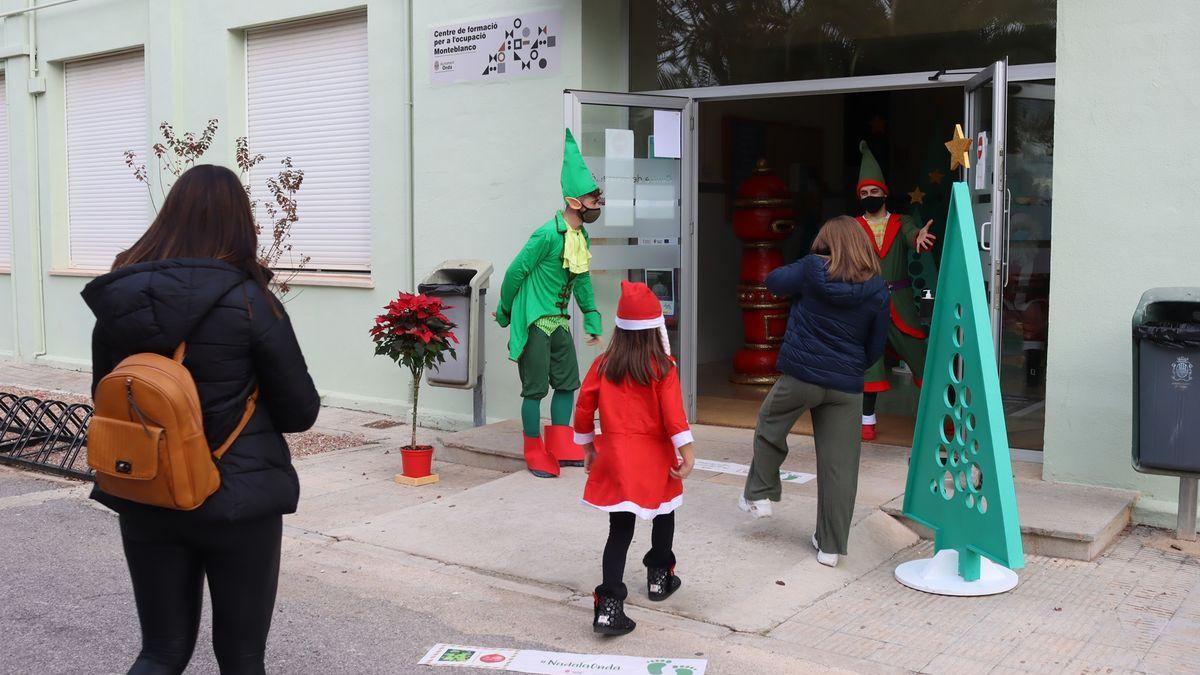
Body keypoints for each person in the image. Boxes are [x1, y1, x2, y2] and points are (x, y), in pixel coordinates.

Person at [82, 165, 321, 674]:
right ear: (240, 223)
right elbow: (301, 411)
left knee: (160, 651)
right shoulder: (253, 302)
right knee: (241, 658)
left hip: (146, 491)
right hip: (238, 497)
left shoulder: (119, 301)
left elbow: (109, 398)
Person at [739, 216, 889, 568]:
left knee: (770, 424)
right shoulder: (878, 288)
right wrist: (850, 366)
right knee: (841, 467)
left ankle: (760, 495)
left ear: (826, 243)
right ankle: (831, 546)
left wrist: (811, 262)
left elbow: (774, 281)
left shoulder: (811, 270)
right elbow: (876, 347)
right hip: (847, 386)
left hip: (801, 376)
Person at [574, 281, 695, 635]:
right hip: (655, 458)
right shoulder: (664, 367)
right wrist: (687, 450)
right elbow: (674, 416)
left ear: (620, 328)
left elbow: (584, 408)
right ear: (656, 328)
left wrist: (588, 447)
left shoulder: (603, 364)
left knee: (620, 529)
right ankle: (659, 577)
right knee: (664, 511)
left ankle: (609, 606)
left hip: (615, 457)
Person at [495, 128, 604, 478]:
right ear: (574, 202)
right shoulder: (546, 234)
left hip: (559, 321)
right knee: (535, 389)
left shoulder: (580, 235)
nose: (596, 204)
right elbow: (514, 272)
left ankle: (560, 440)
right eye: (592, 199)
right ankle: (532, 447)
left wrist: (591, 314)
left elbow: (582, 277)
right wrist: (506, 309)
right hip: (535, 321)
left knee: (567, 383)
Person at [853, 141, 937, 441]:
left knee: (921, 356)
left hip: (899, 303)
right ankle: (867, 422)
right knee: (868, 363)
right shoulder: (853, 226)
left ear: (884, 194)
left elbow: (912, 235)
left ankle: (943, 418)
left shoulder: (902, 221)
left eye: (874, 192)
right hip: (866, 303)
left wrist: (920, 238)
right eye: (864, 194)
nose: (869, 197)